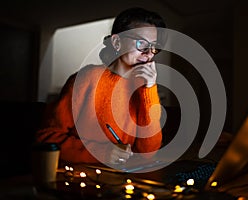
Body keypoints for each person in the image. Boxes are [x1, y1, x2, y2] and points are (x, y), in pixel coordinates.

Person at [36, 7, 166, 165]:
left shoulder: (143, 89)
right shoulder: (86, 79)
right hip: (81, 177)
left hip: (123, 180)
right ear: (117, 42)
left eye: (154, 47)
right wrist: (101, 152)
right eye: (141, 44)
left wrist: (149, 89)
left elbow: (148, 152)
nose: (149, 54)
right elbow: (47, 137)